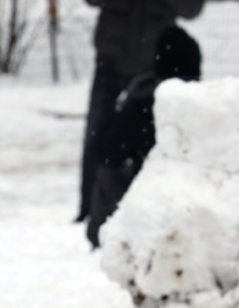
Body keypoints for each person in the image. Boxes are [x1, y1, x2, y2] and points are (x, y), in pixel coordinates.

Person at [76, 0, 204, 223]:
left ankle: (145, 205)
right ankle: (90, 206)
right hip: (112, 61)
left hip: (153, 69)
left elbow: (192, 6)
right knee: (98, 135)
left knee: (151, 140)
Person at [85, 25, 202, 249]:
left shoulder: (137, 98)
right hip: (149, 221)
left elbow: (108, 162)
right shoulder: (178, 105)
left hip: (131, 217)